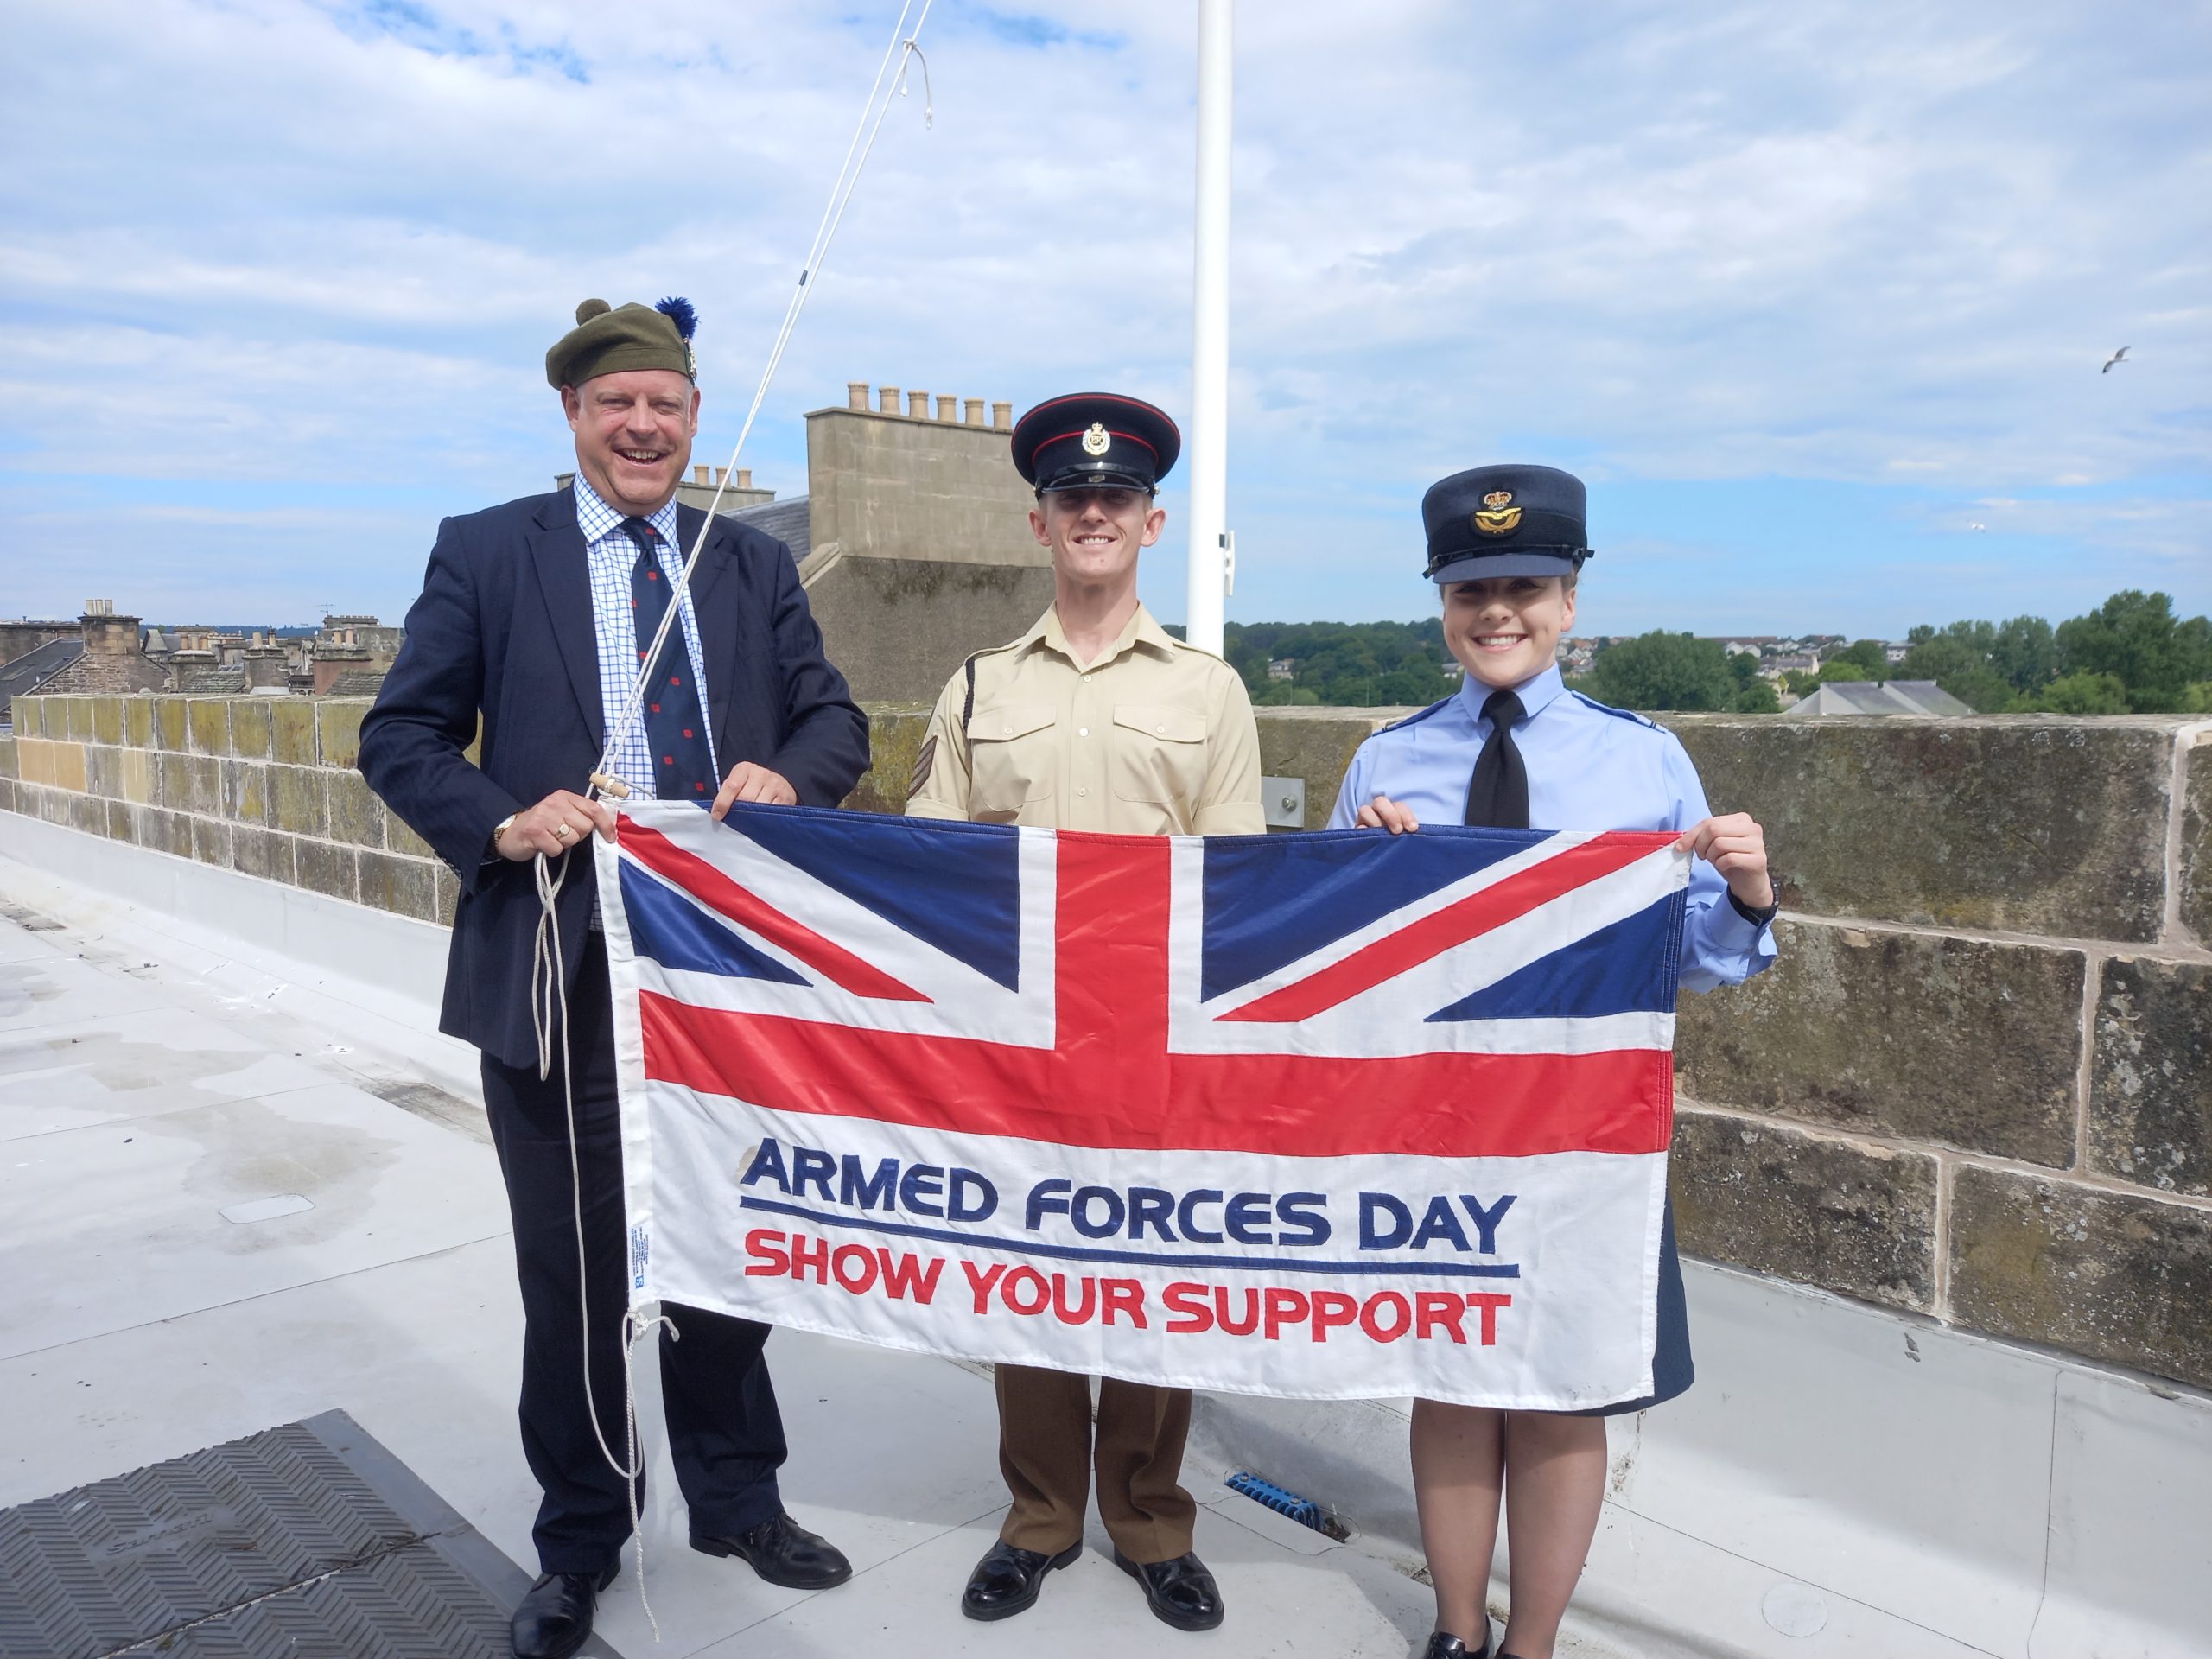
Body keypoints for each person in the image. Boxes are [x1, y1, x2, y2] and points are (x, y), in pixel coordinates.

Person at [359, 297, 870, 1659]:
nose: (644, 426)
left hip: (723, 979)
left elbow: (837, 718)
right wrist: (501, 821)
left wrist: (793, 772)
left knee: (727, 1251)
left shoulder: (746, 565)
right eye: (616, 405)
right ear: (575, 418)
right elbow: (401, 736)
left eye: (667, 404)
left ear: (697, 418)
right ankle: (582, 1538)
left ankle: (735, 1498)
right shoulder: (487, 552)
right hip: (559, 967)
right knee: (575, 1274)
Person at [1325, 464, 1777, 1659]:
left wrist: (1747, 893)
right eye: (1469, 587)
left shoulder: (1645, 762)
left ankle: (1537, 1646)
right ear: (1442, 605)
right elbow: (1331, 980)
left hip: (1584, 1131)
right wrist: (1366, 878)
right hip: (1436, 1126)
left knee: (1566, 1392)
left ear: (1570, 602)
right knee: (1454, 1380)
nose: (1496, 610)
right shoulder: (1386, 766)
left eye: (1524, 584)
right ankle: (1459, 1630)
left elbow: (1696, 962)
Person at [905, 392, 1264, 1632]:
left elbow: (1237, 887)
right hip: (1024, 1042)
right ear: (1040, 522)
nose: (1094, 513)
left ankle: (1154, 1521)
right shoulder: (974, 684)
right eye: (1073, 500)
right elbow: (929, 868)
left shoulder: (1210, 691)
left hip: (1157, 1042)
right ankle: (1041, 1516)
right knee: (1035, 1279)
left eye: (1115, 499)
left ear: (1151, 523)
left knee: (1157, 1285)